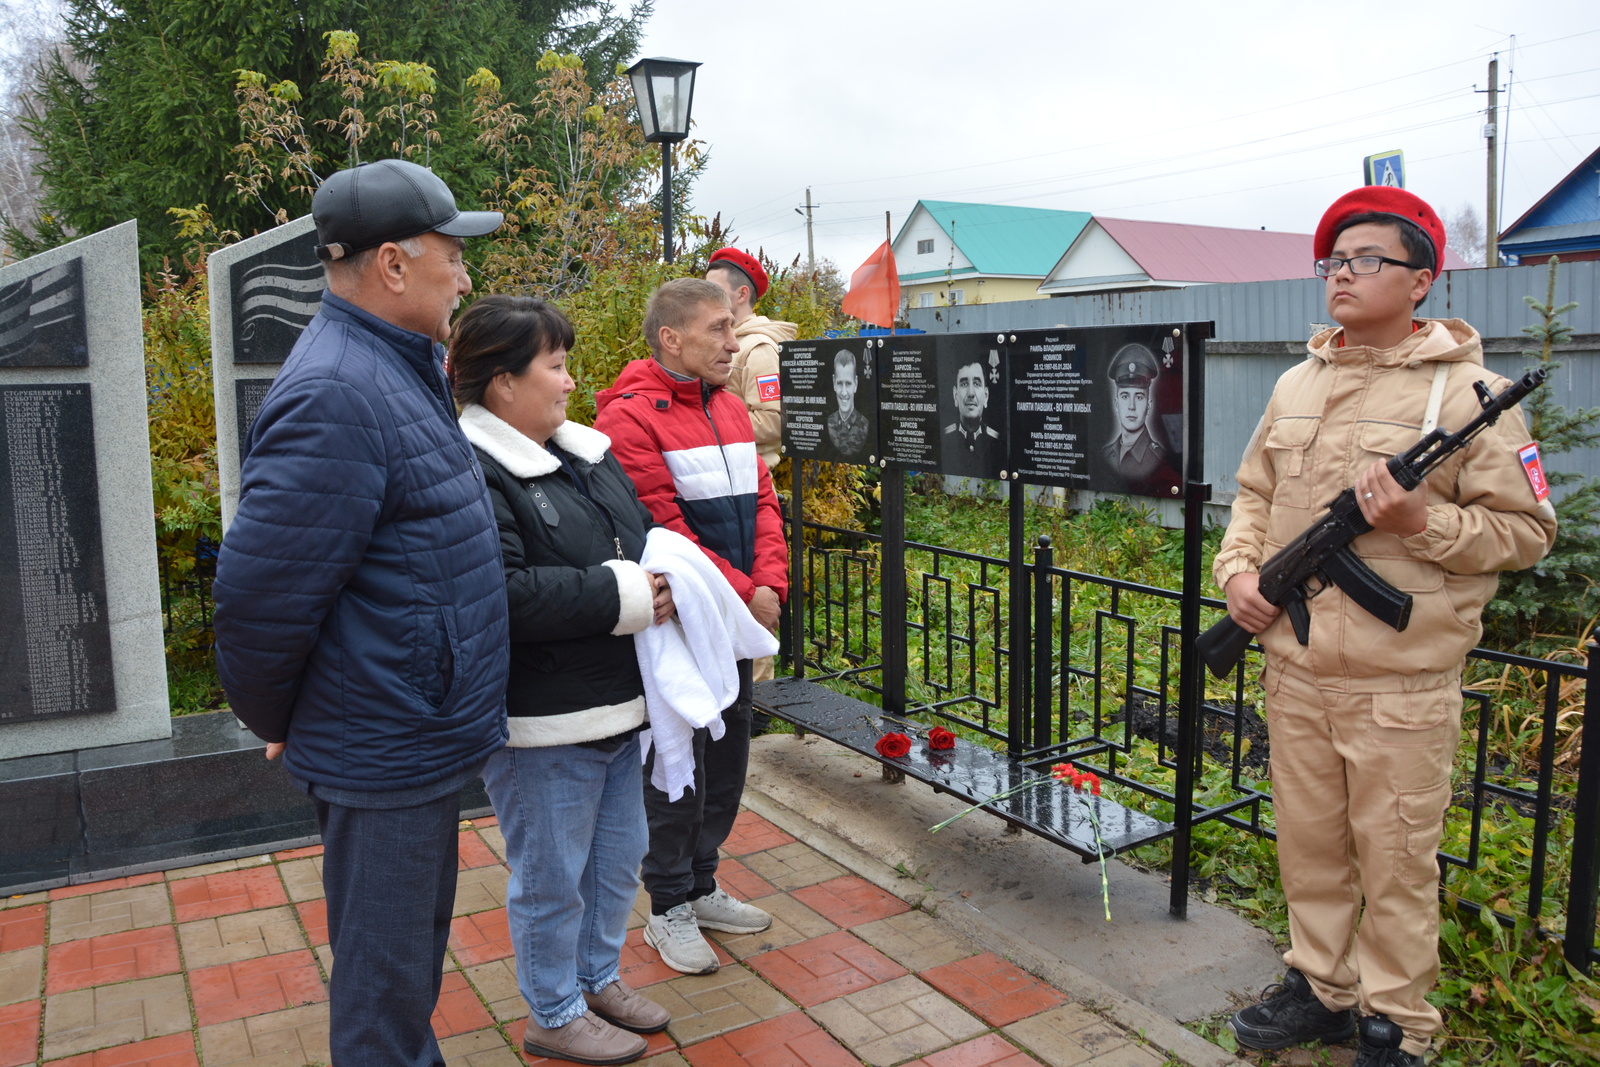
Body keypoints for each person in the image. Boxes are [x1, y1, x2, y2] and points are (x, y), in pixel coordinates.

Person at [1216, 187, 1556, 1067]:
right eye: (1333, 261)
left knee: (1398, 860)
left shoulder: (1471, 396)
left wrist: (1421, 523)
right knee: (1310, 845)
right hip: (1296, 670)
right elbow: (1253, 495)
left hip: (1399, 685)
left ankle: (1398, 1022)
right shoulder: (1297, 384)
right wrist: (1240, 574)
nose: (1342, 274)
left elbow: (1527, 532)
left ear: (1420, 281)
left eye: (1366, 259)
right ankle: (1321, 988)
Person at [212, 159, 509, 1067]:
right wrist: (279, 716)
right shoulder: (339, 391)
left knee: (404, 974)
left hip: (409, 729)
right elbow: (259, 599)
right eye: (453, 256)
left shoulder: (395, 364)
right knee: (385, 994)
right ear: (392, 263)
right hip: (383, 744)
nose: (465, 276)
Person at [450, 295, 674, 1066]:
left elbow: (637, 536)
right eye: (556, 365)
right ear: (503, 382)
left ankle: (595, 978)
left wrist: (670, 578)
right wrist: (626, 594)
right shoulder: (473, 468)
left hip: (617, 701)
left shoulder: (587, 452)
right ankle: (552, 1010)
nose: (572, 381)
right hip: (541, 719)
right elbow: (502, 592)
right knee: (551, 875)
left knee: (616, 858)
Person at [593, 278, 788, 975]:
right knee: (678, 765)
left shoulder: (728, 405)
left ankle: (702, 884)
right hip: (680, 625)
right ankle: (668, 904)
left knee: (728, 759)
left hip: (732, 618)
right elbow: (661, 527)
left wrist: (769, 584)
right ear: (671, 338)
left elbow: (766, 502)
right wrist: (745, 594)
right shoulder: (629, 419)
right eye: (718, 329)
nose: (734, 342)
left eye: (733, 327)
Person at [705, 247, 796, 473]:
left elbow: (774, 420)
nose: (705, 298)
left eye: (714, 291)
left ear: (742, 294)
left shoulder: (758, 347)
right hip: (720, 471)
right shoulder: (716, 342)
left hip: (750, 476)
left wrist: (705, 426)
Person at [1100, 343, 1179, 496]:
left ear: (1148, 405)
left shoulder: (1160, 459)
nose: (1131, 406)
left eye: (1139, 397)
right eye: (1125, 396)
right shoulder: (1106, 454)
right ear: (1116, 404)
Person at [942, 359, 1000, 477]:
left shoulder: (996, 441)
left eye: (977, 384)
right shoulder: (944, 437)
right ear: (955, 395)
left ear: (986, 396)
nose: (971, 393)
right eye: (964, 384)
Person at [825, 348, 870, 458]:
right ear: (834, 383)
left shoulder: (864, 425)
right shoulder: (828, 423)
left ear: (856, 383)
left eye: (848, 384)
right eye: (840, 383)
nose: (844, 392)